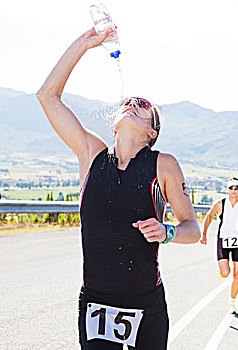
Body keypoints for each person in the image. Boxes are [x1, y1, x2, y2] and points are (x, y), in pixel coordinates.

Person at [37, 27, 200, 350]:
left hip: (146, 304)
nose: (132, 103)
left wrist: (167, 232)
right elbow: (47, 96)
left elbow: (192, 229)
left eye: (142, 105)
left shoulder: (163, 164)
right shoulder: (91, 153)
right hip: (96, 302)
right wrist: (84, 44)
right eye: (129, 102)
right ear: (114, 122)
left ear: (151, 132)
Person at [200, 178, 238, 313]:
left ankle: (232, 301)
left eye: (236, 188)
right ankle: (221, 270)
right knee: (225, 273)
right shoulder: (220, 204)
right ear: (227, 189)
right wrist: (204, 234)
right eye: (231, 188)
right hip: (223, 241)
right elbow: (209, 215)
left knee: (237, 274)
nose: (234, 190)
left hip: (237, 242)